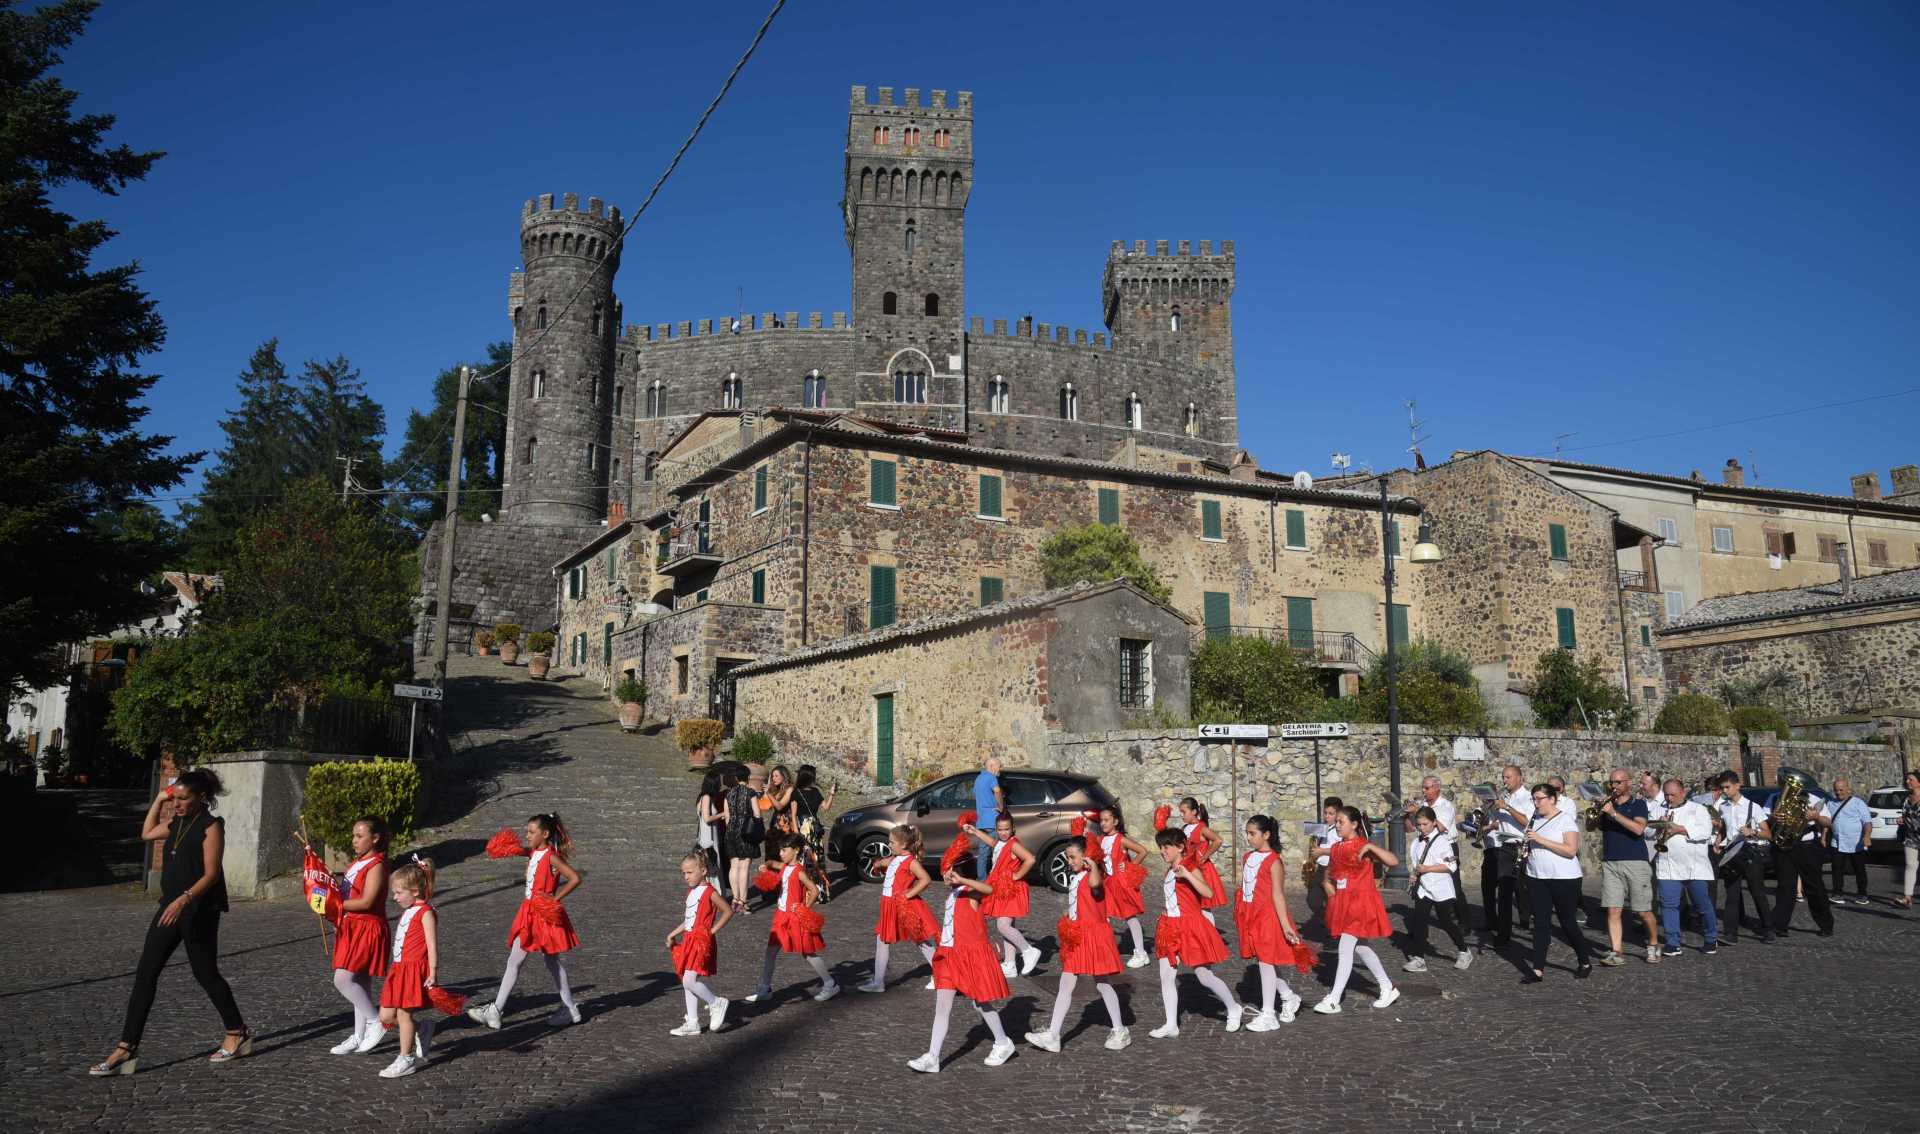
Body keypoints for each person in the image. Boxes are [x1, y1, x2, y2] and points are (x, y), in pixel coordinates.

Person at [89, 769, 248, 1075]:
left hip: (198, 909)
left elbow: (211, 874)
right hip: (169, 908)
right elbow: (147, 834)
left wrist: (184, 900)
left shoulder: (211, 826)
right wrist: (161, 797)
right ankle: (126, 1047)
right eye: (175, 798)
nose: (177, 804)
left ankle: (237, 1031)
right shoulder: (175, 822)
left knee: (206, 974)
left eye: (183, 799)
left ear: (202, 798)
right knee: (146, 973)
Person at [467, 813, 583, 1030]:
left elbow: (575, 878)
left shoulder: (551, 856)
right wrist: (502, 848)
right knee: (542, 962)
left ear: (545, 834)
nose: (526, 835)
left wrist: (554, 898)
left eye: (531, 832)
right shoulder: (533, 853)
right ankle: (569, 1009)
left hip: (542, 914)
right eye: (526, 831)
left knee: (523, 961)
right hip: (530, 913)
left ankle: (496, 1011)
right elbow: (520, 850)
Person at [910, 840, 1015, 1072]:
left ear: (960, 872)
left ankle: (1003, 1041)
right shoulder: (953, 895)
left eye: (950, 870)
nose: (946, 874)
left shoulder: (971, 893)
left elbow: (991, 889)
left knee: (981, 1004)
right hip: (949, 956)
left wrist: (963, 880)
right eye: (946, 871)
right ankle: (933, 1057)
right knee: (942, 1007)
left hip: (971, 957)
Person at [1025, 841, 1130, 1052]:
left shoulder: (1095, 876)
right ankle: (1053, 1035)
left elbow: (1095, 886)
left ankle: (1120, 1029)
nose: (1069, 861)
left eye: (1073, 857)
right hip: (1078, 935)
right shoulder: (1078, 876)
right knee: (1066, 983)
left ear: (1087, 856)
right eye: (1068, 857)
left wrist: (1092, 864)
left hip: (1095, 935)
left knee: (1102, 982)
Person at [1147, 828, 1240, 1037]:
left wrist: (1187, 875)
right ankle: (1171, 1024)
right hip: (1170, 927)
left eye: (1167, 847)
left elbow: (1207, 892)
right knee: (1166, 976)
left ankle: (1233, 1007)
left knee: (1204, 976)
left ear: (1180, 847)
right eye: (1161, 847)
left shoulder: (1189, 866)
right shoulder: (1169, 870)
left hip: (1191, 927)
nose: (1163, 851)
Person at [1314, 806, 1401, 1013]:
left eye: (1341, 821)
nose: (1337, 825)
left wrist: (1371, 847)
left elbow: (1394, 862)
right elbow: (1331, 874)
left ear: (1354, 824)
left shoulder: (1364, 845)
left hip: (1361, 903)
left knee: (1345, 948)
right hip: (1344, 903)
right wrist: (1329, 888)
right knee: (1360, 947)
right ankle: (1387, 987)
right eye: (1336, 822)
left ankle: (1334, 999)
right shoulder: (1336, 848)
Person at [319, 816, 393, 1055]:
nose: (354, 841)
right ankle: (358, 1034)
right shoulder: (357, 862)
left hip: (367, 927)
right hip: (351, 927)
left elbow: (367, 901)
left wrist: (336, 906)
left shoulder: (378, 865)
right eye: (354, 835)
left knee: (343, 979)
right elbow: (348, 893)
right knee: (359, 982)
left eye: (360, 836)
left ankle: (376, 1021)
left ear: (375, 838)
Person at [746, 834, 839, 1004]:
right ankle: (764, 987)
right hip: (781, 916)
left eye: (784, 850)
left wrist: (804, 908)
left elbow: (815, 890)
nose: (780, 853)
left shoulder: (799, 872)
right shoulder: (784, 866)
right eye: (780, 850)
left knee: (807, 952)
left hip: (793, 917)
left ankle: (830, 983)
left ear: (795, 851)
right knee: (771, 951)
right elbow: (772, 863)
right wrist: (765, 866)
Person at [1235, 815, 1308, 1029]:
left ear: (1266, 835)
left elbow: (1277, 894)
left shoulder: (1274, 861)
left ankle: (1269, 1015)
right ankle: (1288, 996)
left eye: (1252, 833)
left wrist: (1285, 926)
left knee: (1265, 961)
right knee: (1266, 961)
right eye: (1247, 833)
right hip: (1250, 913)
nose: (1248, 838)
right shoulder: (1248, 857)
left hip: (1267, 915)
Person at [1519, 783, 1591, 982]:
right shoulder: (1534, 820)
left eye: (1539, 799)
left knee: (1567, 923)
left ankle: (1584, 960)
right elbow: (1533, 844)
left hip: (1564, 878)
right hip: (1537, 876)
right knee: (1540, 923)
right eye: (1533, 799)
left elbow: (1570, 850)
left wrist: (1541, 840)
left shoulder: (1565, 820)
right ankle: (1537, 969)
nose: (1535, 803)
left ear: (1551, 799)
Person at [375, 857, 440, 1078]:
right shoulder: (410, 909)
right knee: (385, 1016)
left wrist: (433, 971)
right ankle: (422, 1029)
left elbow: (432, 945)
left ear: (414, 891)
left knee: (403, 1014)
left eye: (398, 892)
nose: (394, 897)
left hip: (413, 971)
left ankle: (406, 1058)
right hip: (399, 969)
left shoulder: (426, 913)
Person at [858, 825, 937, 992]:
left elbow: (926, 879)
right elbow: (885, 863)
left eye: (892, 842)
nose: (889, 845)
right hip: (889, 906)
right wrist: (877, 863)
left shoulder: (911, 862)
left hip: (904, 907)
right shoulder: (895, 858)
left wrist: (908, 895)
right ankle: (878, 982)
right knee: (882, 940)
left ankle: (942, 975)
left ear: (904, 845)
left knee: (921, 940)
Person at [1594, 767, 1660, 966]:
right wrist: (1597, 812)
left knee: (1643, 911)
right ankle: (1616, 951)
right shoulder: (1607, 805)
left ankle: (1653, 944)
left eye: (1618, 782)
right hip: (1611, 862)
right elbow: (1591, 826)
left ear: (1628, 783)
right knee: (1613, 910)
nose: (1614, 786)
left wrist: (1613, 813)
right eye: (1611, 782)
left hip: (1635, 862)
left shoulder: (1638, 804)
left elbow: (1639, 829)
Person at [963, 814, 1043, 977]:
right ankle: (1010, 964)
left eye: (1007, 829)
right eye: (1000, 830)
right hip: (1002, 888)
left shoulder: (1014, 844)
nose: (1004, 832)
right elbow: (994, 844)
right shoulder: (1002, 843)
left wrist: (1017, 875)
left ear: (1013, 829)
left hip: (1010, 889)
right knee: (1008, 927)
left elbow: (1030, 859)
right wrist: (976, 832)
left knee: (1003, 926)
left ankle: (1028, 951)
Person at [667, 851, 734, 1036]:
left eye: (689, 872)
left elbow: (727, 911)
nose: (686, 877)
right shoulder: (692, 891)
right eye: (684, 873)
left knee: (689, 980)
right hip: (689, 939)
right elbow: (689, 920)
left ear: (703, 870)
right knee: (687, 980)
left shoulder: (710, 892)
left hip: (701, 942)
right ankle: (693, 1022)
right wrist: (673, 933)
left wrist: (711, 932)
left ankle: (715, 1002)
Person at [1652, 779, 1718, 957]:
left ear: (1683, 793)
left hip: (1694, 866)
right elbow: (1647, 831)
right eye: (1666, 794)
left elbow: (1705, 831)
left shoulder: (1698, 809)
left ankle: (1711, 938)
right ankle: (1673, 942)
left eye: (1672, 794)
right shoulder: (1659, 809)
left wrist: (1679, 829)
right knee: (1668, 905)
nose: (1669, 798)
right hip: (1668, 865)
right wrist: (1659, 825)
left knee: (1702, 904)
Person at [1403, 807, 1470, 972]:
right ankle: (1419, 958)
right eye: (1419, 825)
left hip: (1441, 887)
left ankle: (1464, 950)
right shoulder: (1416, 843)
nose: (1422, 828)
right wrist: (1415, 874)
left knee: (1445, 921)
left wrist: (1428, 869)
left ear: (1434, 823)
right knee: (1419, 920)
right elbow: (1417, 864)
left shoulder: (1442, 842)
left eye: (1425, 824)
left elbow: (1450, 866)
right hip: (1424, 888)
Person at [1713, 772, 1774, 944]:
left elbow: (1768, 833)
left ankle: (1768, 928)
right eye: (1722, 788)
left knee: (1757, 892)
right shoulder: (1723, 807)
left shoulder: (1753, 807)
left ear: (1737, 785)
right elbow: (1724, 829)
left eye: (1727, 787)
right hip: (1731, 854)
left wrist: (1752, 832)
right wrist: (1718, 840)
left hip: (1750, 853)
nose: (1724, 790)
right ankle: (1730, 933)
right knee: (1732, 894)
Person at [1771, 786, 1837, 938]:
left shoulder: (1812, 798)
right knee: (1785, 887)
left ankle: (1826, 925)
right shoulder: (1775, 798)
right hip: (1783, 846)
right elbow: (1765, 819)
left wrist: (1816, 817)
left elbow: (1828, 822)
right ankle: (1780, 925)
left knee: (1814, 886)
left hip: (1806, 847)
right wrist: (1774, 817)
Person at [1481, 764, 1530, 947]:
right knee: (1504, 892)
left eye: (1508, 777)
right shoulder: (1505, 797)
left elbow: (1526, 822)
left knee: (1524, 889)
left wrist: (1507, 808)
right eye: (1503, 777)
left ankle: (1533, 924)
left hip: (1521, 846)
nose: (1504, 781)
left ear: (1518, 778)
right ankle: (1503, 935)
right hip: (1505, 848)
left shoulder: (1527, 797)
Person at [1097, 805, 1152, 967]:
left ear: (1115, 821)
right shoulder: (1100, 839)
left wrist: (1130, 866)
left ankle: (1141, 953)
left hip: (1120, 883)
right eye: (1101, 820)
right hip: (1106, 883)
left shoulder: (1121, 839)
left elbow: (1142, 851)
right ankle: (1104, 949)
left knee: (1129, 915)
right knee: (1102, 915)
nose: (1103, 823)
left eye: (1106, 820)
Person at [792, 764, 837, 900]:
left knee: (817, 858)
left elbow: (826, 807)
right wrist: (796, 832)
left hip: (814, 829)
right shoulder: (796, 792)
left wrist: (831, 794)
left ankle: (820, 892)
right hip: (803, 828)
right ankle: (806, 893)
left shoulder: (815, 792)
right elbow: (793, 814)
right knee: (805, 860)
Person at [1826, 779, 1873, 905]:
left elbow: (1867, 822)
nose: (1838, 793)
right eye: (1836, 790)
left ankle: (1862, 894)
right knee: (1836, 869)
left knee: (1859, 869)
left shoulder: (1858, 803)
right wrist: (1823, 836)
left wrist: (1867, 836)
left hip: (1855, 843)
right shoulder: (1830, 803)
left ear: (1848, 789)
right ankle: (1837, 893)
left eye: (1841, 790)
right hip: (1837, 841)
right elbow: (1827, 822)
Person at [722, 768, 758, 913]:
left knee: (734, 865)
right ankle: (743, 902)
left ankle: (735, 899)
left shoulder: (728, 794)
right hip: (746, 832)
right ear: (748, 777)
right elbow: (757, 814)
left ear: (736, 778)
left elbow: (727, 817)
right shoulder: (750, 792)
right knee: (744, 866)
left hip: (731, 832)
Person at [1305, 796, 1344, 928]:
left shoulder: (1341, 830)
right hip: (1321, 868)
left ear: (1338, 814)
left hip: (1333, 870)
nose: (1327, 816)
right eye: (1325, 813)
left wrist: (1322, 851)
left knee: (1332, 902)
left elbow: (1342, 850)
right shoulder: (1321, 828)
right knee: (1313, 901)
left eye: (1331, 814)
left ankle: (1334, 930)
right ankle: (1328, 921)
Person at [696, 770, 728, 900]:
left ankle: (713, 894)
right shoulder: (706, 797)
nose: (720, 785)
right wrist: (722, 814)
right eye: (718, 783)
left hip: (709, 835)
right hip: (708, 837)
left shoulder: (706, 797)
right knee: (712, 865)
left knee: (712, 865)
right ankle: (714, 895)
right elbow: (707, 818)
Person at [972, 754, 1006, 879]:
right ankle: (997, 877)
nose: (1000, 769)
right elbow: (997, 791)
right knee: (997, 850)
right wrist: (1000, 806)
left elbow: (975, 796)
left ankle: (982, 879)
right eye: (999, 766)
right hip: (992, 819)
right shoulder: (992, 777)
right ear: (992, 766)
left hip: (981, 820)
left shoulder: (978, 778)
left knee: (983, 853)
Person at [1403, 776, 1457, 840]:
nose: (1423, 790)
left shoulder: (1446, 806)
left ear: (1437, 788)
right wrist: (1408, 814)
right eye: (1422, 788)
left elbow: (1442, 828)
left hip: (1445, 846)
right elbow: (1409, 829)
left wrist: (1416, 811)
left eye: (1426, 788)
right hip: (1425, 845)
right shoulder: (1421, 805)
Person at [1899, 771, 1920, 910]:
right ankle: (1907, 897)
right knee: (1910, 866)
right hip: (1911, 837)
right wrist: (1902, 820)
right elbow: (1905, 814)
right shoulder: (1907, 799)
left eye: (1911, 779)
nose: (1908, 782)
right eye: (1907, 780)